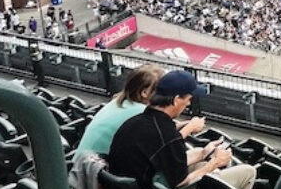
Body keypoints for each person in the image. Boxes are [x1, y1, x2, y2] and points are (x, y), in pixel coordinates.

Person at [108, 70, 255, 189]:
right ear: (177, 99)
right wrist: (215, 163)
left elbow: (167, 161)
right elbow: (180, 185)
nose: (189, 103)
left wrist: (204, 154)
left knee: (201, 164)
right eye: (189, 99)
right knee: (248, 172)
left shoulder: (135, 122)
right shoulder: (166, 135)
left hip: (134, 186)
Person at [76, 65, 206, 159]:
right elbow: (164, 144)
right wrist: (190, 128)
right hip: (96, 173)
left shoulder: (120, 102)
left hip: (86, 168)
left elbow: (157, 132)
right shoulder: (141, 113)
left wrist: (183, 125)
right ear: (144, 93)